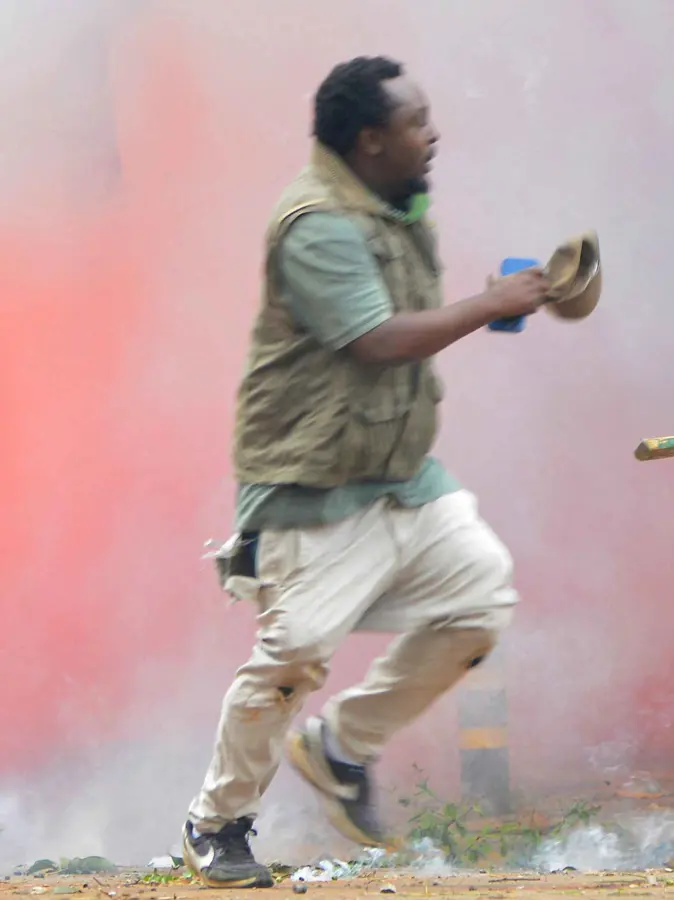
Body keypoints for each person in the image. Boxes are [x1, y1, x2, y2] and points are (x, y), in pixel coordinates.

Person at [180, 56, 564, 888]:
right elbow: (375, 339)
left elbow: (407, 317)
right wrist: (488, 307)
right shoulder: (315, 223)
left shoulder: (394, 202)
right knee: (294, 656)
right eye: (417, 122)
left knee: (480, 597)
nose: (434, 134)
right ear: (369, 140)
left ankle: (341, 748)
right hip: (312, 491)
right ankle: (218, 823)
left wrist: (511, 296)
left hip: (399, 477)